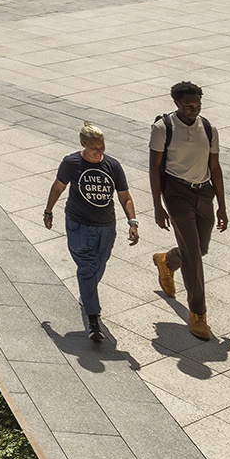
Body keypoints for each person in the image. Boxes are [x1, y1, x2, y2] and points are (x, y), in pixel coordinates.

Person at [42, 124, 140, 345]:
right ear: (83, 144)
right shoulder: (71, 163)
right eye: (94, 147)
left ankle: (87, 297)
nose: (99, 150)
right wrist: (48, 211)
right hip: (79, 225)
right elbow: (58, 187)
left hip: (106, 227)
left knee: (99, 265)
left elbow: (125, 196)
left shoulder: (113, 165)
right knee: (87, 269)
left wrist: (132, 222)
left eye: (102, 146)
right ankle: (94, 320)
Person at [149, 80, 228, 341]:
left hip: (204, 192)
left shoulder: (209, 128)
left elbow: (215, 167)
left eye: (198, 105)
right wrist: (158, 205)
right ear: (177, 104)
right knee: (193, 255)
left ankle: (167, 261)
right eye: (188, 106)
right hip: (176, 193)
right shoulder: (163, 128)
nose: (194, 110)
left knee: (200, 248)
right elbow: (154, 167)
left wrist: (223, 206)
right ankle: (198, 313)